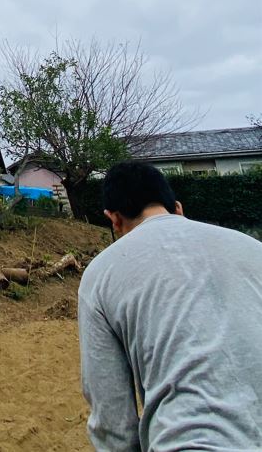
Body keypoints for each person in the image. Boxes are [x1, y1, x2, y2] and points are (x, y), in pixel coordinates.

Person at [78, 160, 262, 452]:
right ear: (177, 207)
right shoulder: (253, 249)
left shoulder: (100, 274)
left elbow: (113, 422)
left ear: (113, 219)